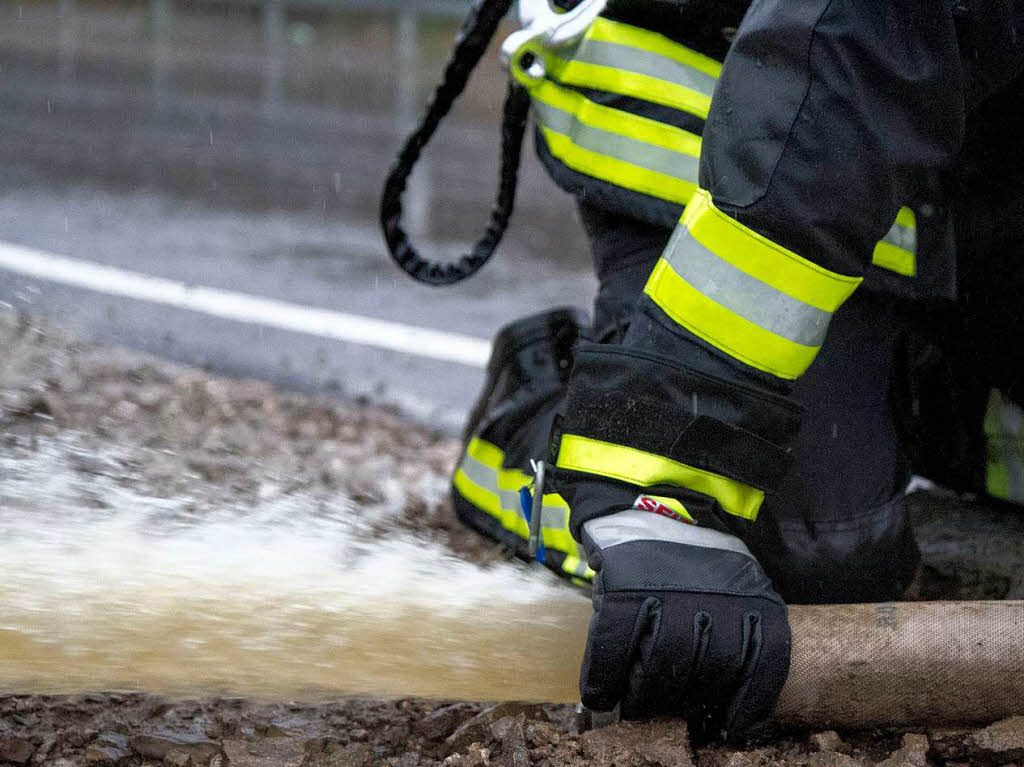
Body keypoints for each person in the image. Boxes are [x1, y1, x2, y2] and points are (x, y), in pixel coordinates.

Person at [450, 0, 1024, 741]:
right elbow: (864, 37)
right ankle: (552, 426)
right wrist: (657, 472)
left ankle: (904, 380)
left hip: (957, 152)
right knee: (793, 563)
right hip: (734, 83)